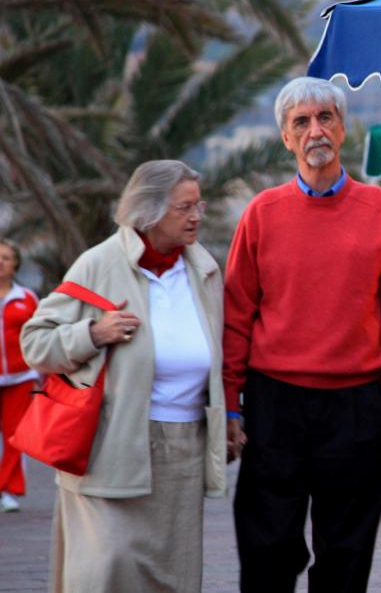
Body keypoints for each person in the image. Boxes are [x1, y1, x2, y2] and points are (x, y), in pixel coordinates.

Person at [224, 77, 381, 593]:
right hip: (275, 404)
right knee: (267, 551)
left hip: (358, 406)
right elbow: (237, 314)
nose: (316, 130)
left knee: (346, 556)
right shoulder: (261, 214)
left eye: (325, 117)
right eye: (301, 122)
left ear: (343, 128)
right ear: (286, 139)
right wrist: (229, 404)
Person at [20, 160, 227, 593]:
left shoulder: (202, 269)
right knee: (107, 569)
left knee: (174, 573)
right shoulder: (98, 264)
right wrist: (92, 333)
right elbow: (35, 342)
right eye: (184, 208)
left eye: (198, 206)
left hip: (184, 446)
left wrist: (232, 419)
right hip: (109, 446)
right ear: (148, 212)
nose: (196, 217)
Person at [0, 238, 38, 513]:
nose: (0, 262)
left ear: (15, 265)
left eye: (6, 258)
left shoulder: (27, 298)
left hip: (20, 378)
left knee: (15, 436)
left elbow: (38, 335)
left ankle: (7, 490)